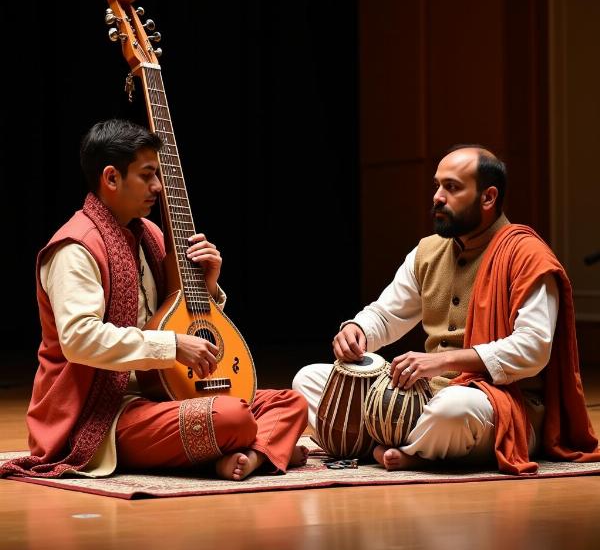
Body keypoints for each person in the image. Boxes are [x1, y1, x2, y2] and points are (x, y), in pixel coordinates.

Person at [0, 119, 308, 482]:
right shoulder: (75, 248)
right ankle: (259, 448)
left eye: (158, 174)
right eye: (147, 175)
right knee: (231, 417)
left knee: (290, 402)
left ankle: (249, 456)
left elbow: (175, 318)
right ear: (111, 178)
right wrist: (171, 346)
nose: (158, 187)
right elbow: (79, 340)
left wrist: (206, 287)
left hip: (164, 393)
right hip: (103, 415)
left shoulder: (152, 236)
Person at [293, 144, 600, 475]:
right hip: (428, 395)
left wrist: (442, 361)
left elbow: (533, 348)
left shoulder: (527, 256)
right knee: (309, 379)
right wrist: (356, 330)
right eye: (437, 185)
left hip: (498, 402)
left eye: (452, 187)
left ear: (488, 197)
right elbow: (386, 315)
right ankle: (417, 447)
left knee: (453, 411)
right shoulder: (428, 252)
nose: (438, 196)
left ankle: (402, 445)